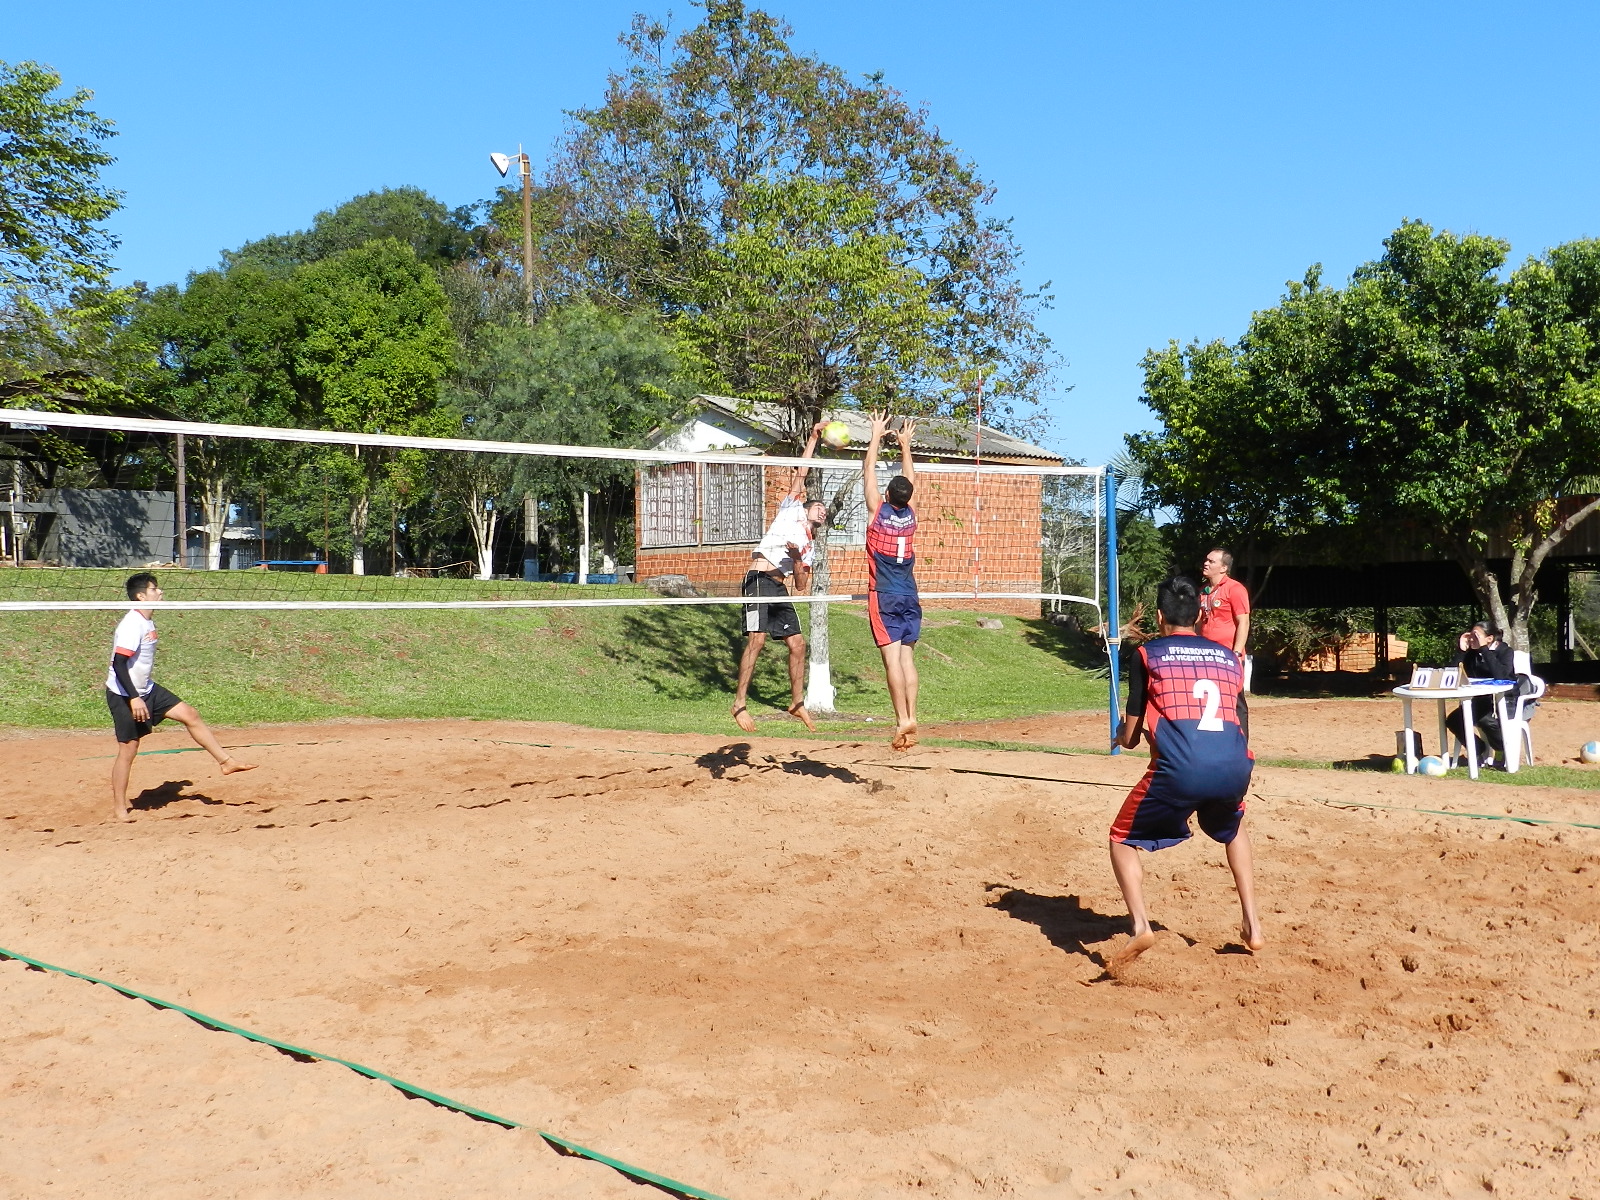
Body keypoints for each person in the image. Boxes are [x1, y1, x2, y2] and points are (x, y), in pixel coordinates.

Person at [1109, 575, 1263, 968]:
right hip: (1233, 764)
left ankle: (1141, 926)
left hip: (1181, 769)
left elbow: (1131, 736)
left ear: (1160, 617)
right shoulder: (1228, 657)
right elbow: (1239, 718)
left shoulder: (1147, 654)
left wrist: (1121, 736)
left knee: (1121, 838)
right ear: (1198, 616)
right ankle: (1252, 922)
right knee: (1234, 826)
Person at [107, 572, 257, 823]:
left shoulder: (147, 620)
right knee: (128, 750)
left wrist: (141, 694)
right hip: (124, 693)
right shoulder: (132, 624)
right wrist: (134, 698)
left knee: (190, 714)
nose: (160, 592)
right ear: (141, 596)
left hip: (146, 689)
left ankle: (226, 762)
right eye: (154, 589)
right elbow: (119, 664)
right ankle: (120, 808)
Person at [732, 422, 829, 734]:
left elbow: (801, 584)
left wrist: (798, 557)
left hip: (779, 587)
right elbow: (802, 471)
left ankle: (797, 702)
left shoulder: (809, 546)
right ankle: (739, 703)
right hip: (758, 579)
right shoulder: (792, 509)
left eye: (825, 511)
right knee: (757, 640)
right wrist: (813, 437)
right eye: (819, 507)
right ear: (807, 506)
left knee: (798, 645)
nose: (823, 512)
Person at [861, 413, 922, 751]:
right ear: (908, 498)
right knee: (907, 660)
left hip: (884, 596)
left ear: (887, 494)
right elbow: (910, 479)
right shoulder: (912, 514)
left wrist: (875, 435)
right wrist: (905, 445)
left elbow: (867, 471)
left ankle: (901, 720)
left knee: (892, 662)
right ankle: (913, 715)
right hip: (910, 595)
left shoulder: (878, 512)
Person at [1446, 620, 1516, 763]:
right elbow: (1452, 674)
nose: (1471, 639)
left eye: (1476, 636)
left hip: (1504, 700)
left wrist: (1484, 649)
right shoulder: (1472, 654)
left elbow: (1501, 676)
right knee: (1454, 720)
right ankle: (1478, 748)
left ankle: (1502, 749)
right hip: (1482, 700)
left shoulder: (1505, 651)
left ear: (1489, 638)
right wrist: (1461, 650)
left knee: (1485, 720)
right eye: (1470, 635)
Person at [1198, 547, 1251, 690]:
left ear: (1223, 568)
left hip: (1228, 655)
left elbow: (1244, 622)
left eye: (1211, 561)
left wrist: (1237, 653)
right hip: (1206, 654)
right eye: (1206, 560)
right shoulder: (1202, 591)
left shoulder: (1235, 588)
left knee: (1233, 696)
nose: (1206, 563)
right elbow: (1198, 622)